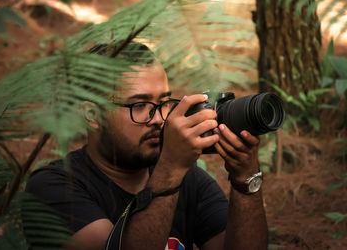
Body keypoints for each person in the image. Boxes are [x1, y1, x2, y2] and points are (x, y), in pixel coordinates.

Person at [26, 43, 268, 250]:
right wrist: (170, 169)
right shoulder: (53, 187)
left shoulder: (190, 179)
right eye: (139, 105)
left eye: (163, 103)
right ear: (92, 114)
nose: (159, 118)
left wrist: (245, 181)